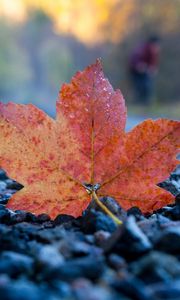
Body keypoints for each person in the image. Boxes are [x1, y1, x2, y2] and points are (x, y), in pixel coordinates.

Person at [129, 36, 161, 104]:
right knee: (139, 86)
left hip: (145, 71)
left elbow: (153, 61)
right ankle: (139, 102)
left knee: (147, 86)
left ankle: (146, 103)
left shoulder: (154, 51)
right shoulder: (143, 48)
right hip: (135, 71)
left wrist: (153, 68)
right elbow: (135, 57)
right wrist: (139, 64)